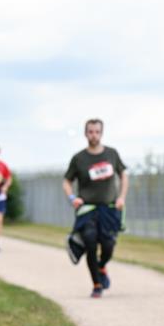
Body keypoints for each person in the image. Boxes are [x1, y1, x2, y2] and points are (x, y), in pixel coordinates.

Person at [62, 119, 128, 298]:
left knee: (108, 245)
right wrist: (72, 198)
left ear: (102, 133)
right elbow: (67, 181)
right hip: (87, 210)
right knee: (90, 242)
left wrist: (121, 197)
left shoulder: (111, 154)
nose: (94, 135)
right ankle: (96, 284)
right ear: (86, 133)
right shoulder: (79, 158)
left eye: (97, 132)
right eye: (90, 132)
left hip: (108, 209)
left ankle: (101, 266)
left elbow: (123, 174)